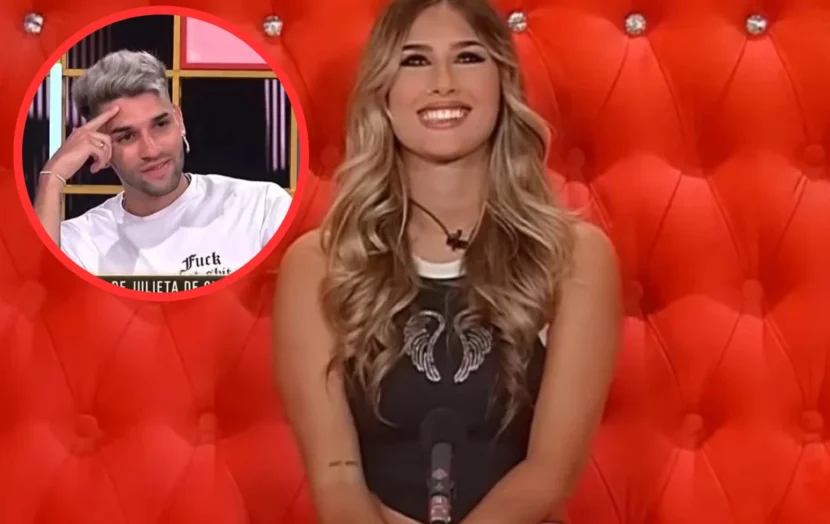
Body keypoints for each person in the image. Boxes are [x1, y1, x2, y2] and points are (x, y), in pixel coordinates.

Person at [273, 0, 622, 523]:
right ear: (382, 93)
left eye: (468, 58)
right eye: (415, 60)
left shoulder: (576, 258)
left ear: (503, 84)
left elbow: (550, 472)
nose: (443, 83)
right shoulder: (319, 265)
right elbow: (336, 477)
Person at [32, 49, 293, 277]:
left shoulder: (260, 207)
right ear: (101, 146)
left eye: (160, 124)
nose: (152, 150)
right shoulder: (83, 241)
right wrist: (51, 177)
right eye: (127, 136)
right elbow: (36, 295)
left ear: (179, 120)